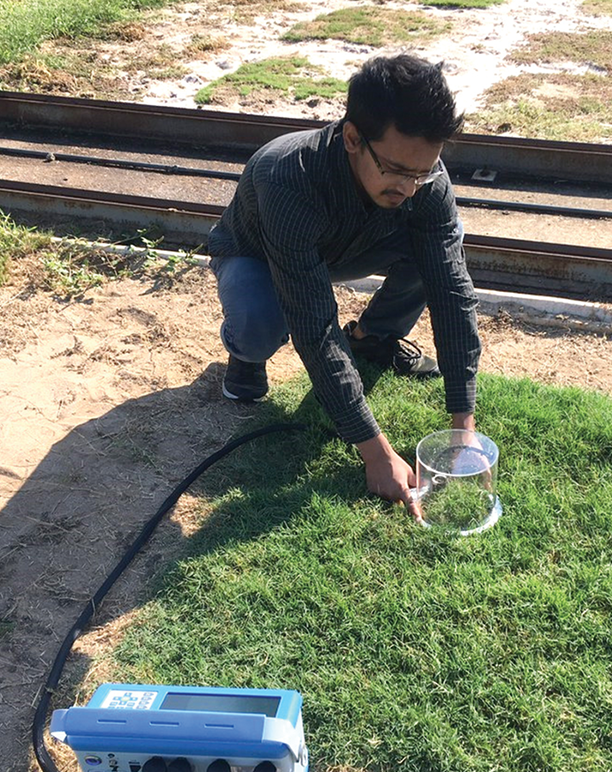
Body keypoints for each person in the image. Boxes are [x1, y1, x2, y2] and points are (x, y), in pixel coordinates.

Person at [205, 54, 482, 516]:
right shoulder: (286, 176)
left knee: (440, 248)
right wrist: (376, 455)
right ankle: (244, 355)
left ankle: (373, 336)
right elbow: (314, 325)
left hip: (351, 243)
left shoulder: (420, 178)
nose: (411, 187)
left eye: (423, 172)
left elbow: (452, 289)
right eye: (396, 170)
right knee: (262, 323)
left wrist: (463, 427)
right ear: (353, 138)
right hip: (259, 253)